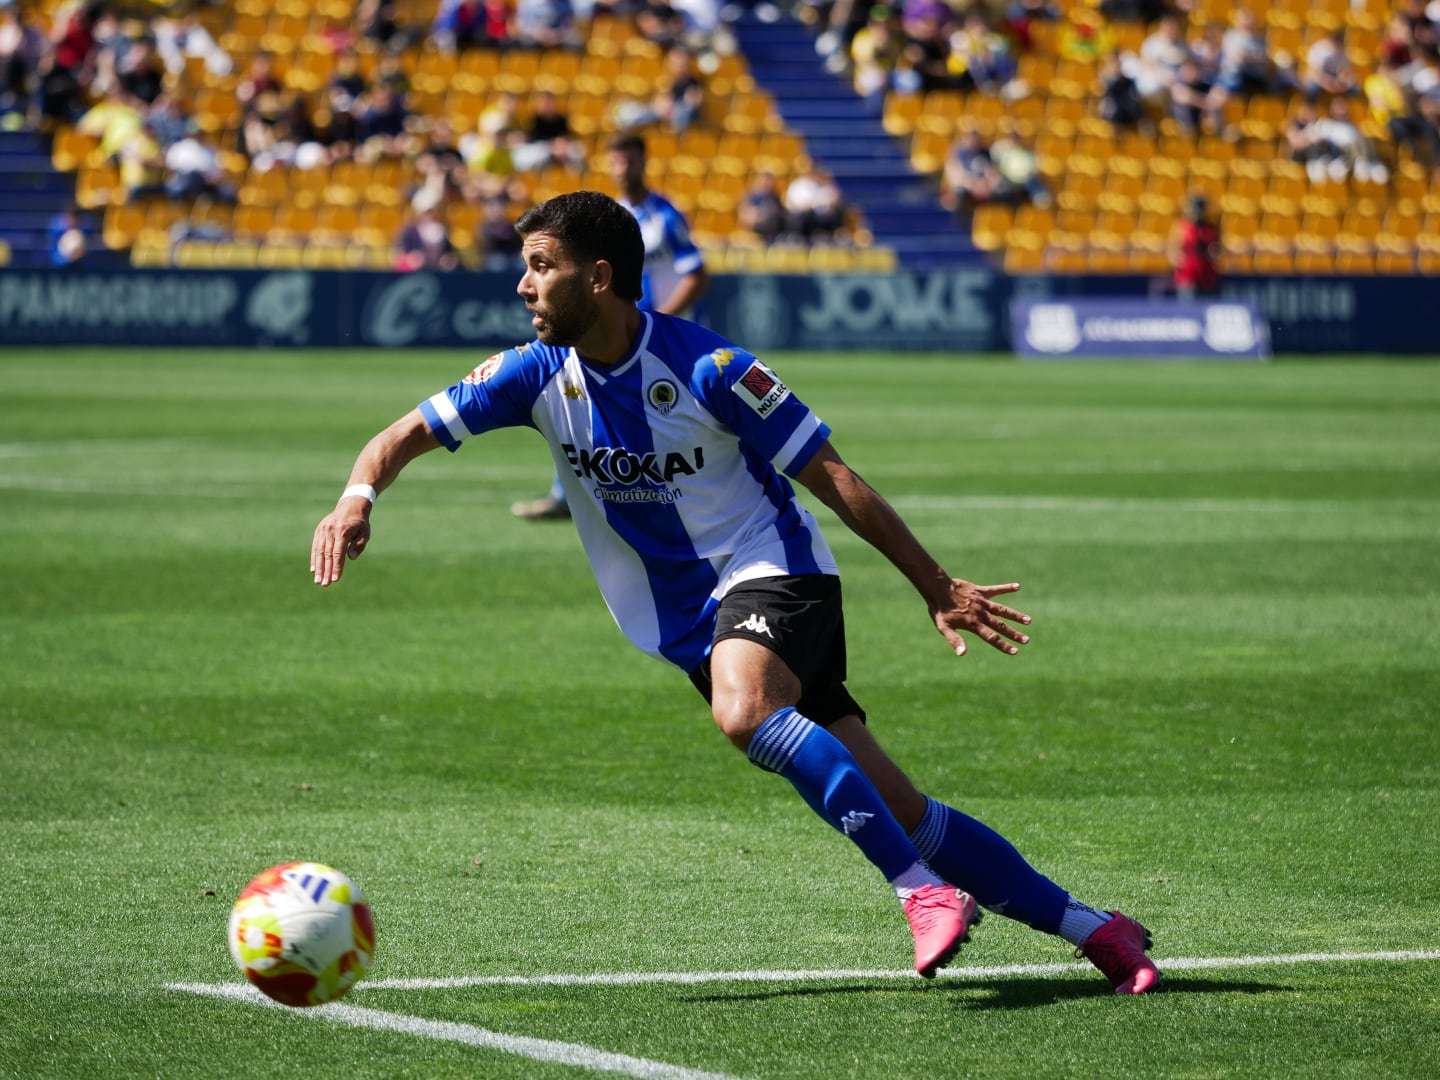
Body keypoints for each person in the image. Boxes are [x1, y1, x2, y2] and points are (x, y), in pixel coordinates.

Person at [311, 189, 1162, 995]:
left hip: (776, 573)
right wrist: (358, 499)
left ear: (597, 276)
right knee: (903, 807)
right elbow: (398, 437)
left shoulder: (712, 368)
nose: (523, 283)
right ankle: (1096, 930)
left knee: (743, 710)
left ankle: (922, 893)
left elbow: (835, 478)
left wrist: (935, 585)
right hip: (693, 621)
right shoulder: (533, 376)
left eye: (541, 263)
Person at [512, 133, 708, 521]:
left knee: (670, 418)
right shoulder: (608, 218)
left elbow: (696, 274)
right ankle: (567, 493)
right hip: (616, 333)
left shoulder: (665, 217)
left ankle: (685, 495)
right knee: (582, 403)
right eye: (616, 161)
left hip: (656, 337)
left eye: (630, 161)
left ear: (643, 163)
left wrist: (658, 320)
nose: (623, 168)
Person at [1169, 194, 1220, 300]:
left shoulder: (1211, 228)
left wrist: (1213, 252)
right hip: (1188, 276)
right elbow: (1173, 249)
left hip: (1207, 276)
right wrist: (1179, 260)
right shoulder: (1182, 227)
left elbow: (1217, 249)